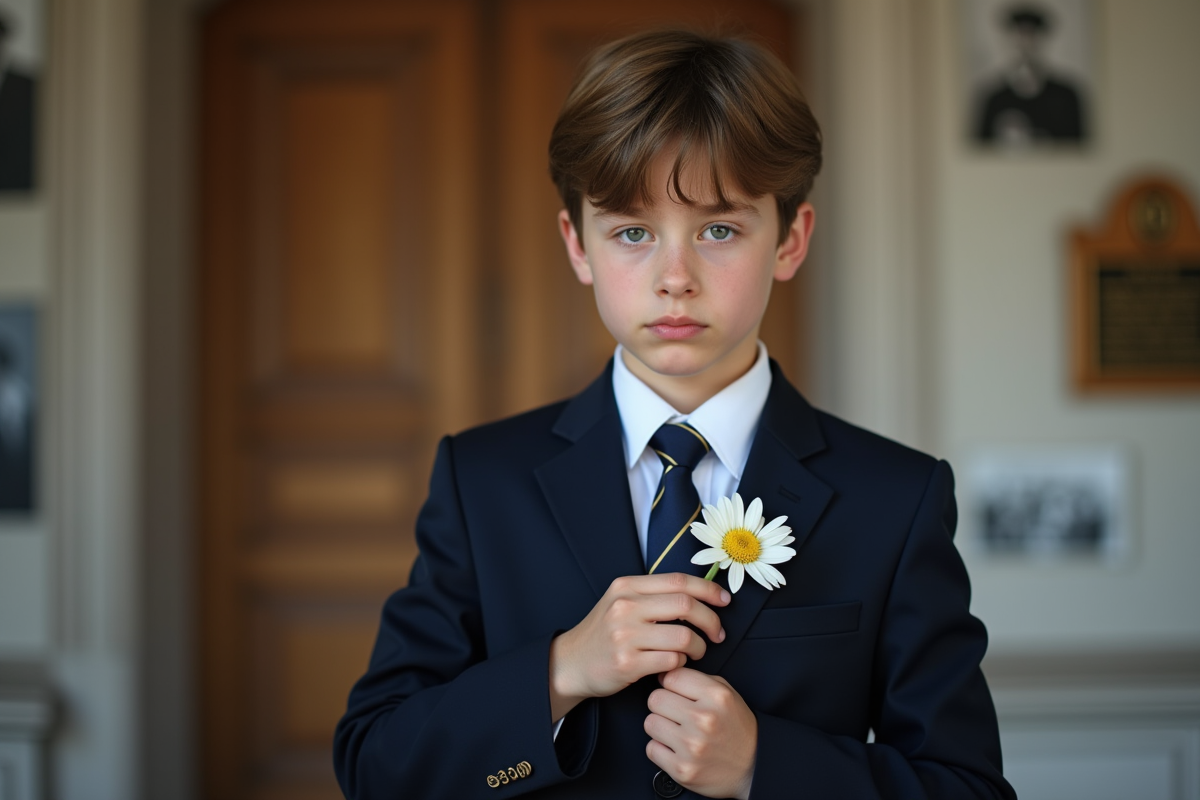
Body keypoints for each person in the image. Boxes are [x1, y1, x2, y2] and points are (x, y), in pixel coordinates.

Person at [335, 29, 1014, 800]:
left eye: (719, 230)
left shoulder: (895, 497)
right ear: (578, 245)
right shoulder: (481, 481)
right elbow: (376, 766)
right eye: (632, 233)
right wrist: (560, 672)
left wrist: (764, 766)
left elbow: (968, 788)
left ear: (790, 241)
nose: (675, 278)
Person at [975, 4, 1085, 145]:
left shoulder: (1066, 97)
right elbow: (979, 149)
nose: (1025, 45)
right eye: (1020, 37)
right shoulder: (993, 98)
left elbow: (1079, 147)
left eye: (1031, 36)